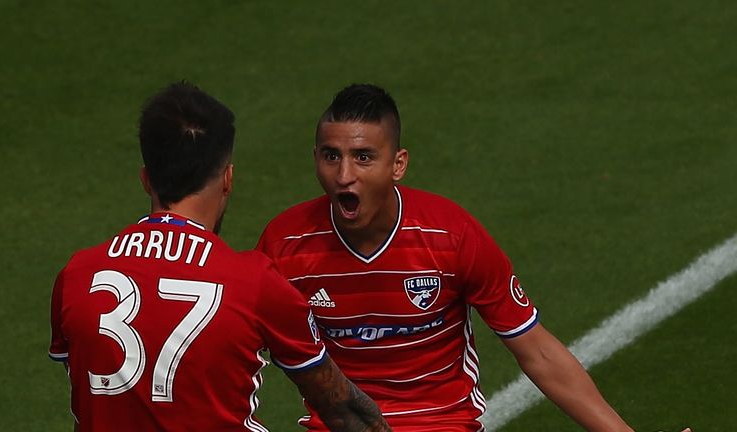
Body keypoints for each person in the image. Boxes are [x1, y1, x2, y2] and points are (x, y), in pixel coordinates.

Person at [256, 84, 691, 432]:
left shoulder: (450, 236)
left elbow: (537, 351)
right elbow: (238, 347)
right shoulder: (285, 243)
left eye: (363, 157)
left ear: (398, 164)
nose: (344, 175)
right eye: (331, 156)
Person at [48, 81, 391, 432]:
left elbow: (91, 398)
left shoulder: (77, 275)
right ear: (228, 178)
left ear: (146, 179)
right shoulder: (254, 283)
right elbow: (345, 411)